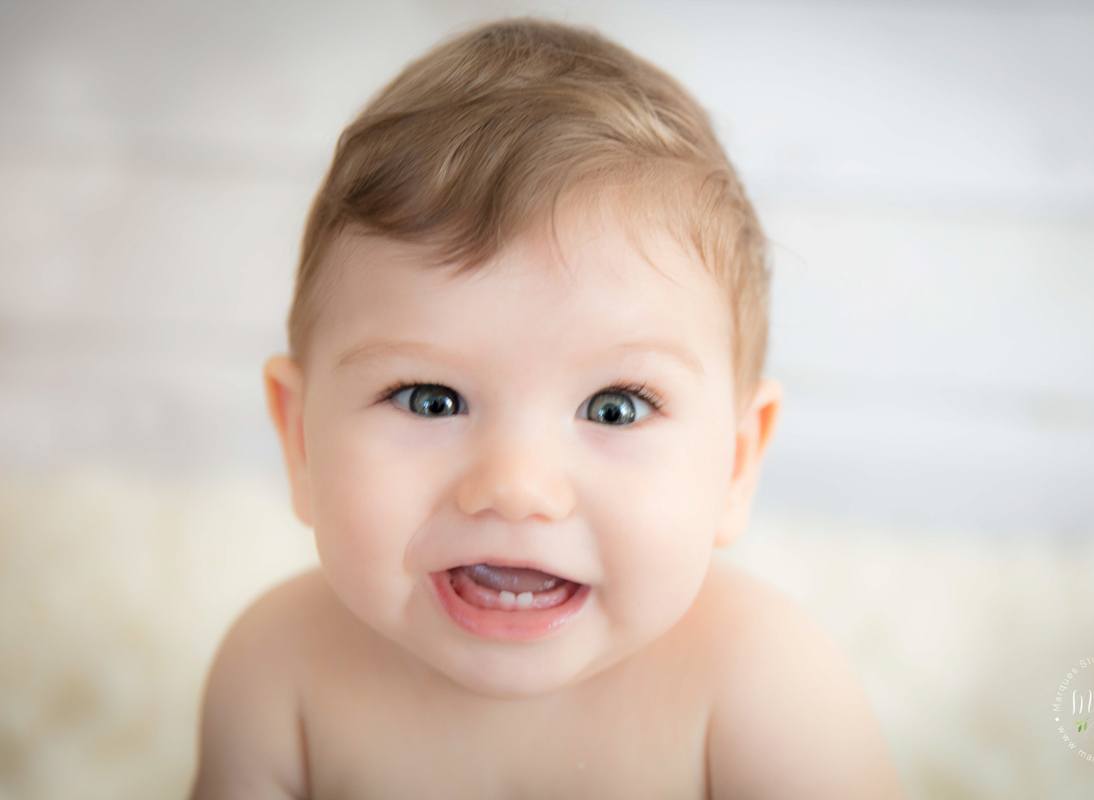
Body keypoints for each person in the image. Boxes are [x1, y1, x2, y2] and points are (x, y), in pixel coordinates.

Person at [191, 18, 906, 799]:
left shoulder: (764, 687)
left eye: (614, 409)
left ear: (736, 464)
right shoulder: (278, 670)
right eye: (432, 401)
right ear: (299, 438)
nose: (516, 485)